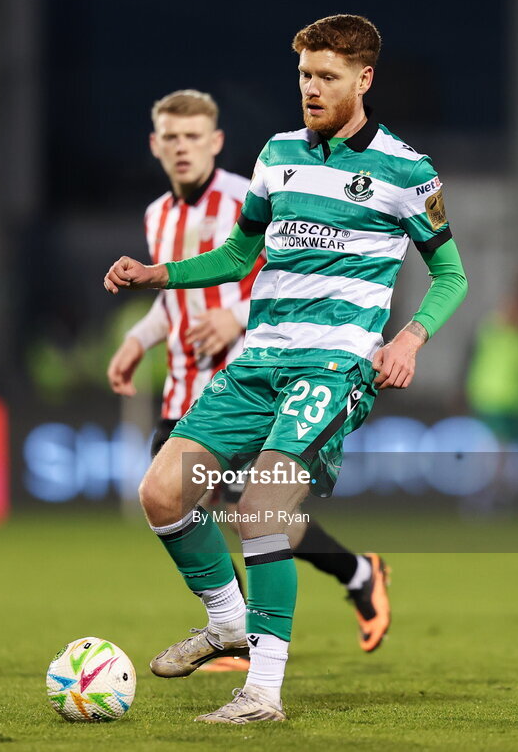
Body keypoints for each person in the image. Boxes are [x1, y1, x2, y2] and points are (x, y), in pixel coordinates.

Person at [104, 15, 467, 723]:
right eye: (304, 74)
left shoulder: (407, 169)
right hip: (257, 362)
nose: (311, 87)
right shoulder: (276, 156)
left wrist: (410, 339)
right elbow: (240, 257)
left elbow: (450, 275)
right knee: (160, 492)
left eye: (327, 76)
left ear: (364, 79)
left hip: (333, 369)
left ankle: (262, 690)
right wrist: (161, 274)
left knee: (261, 509)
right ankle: (228, 620)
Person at [107, 90, 392, 672]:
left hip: (258, 371)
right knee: (205, 504)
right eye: (172, 138)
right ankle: (345, 576)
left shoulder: (250, 189)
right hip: (186, 385)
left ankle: (244, 636)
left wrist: (235, 317)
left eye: (194, 137)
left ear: (215, 143)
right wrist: (139, 340)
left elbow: (278, 270)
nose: (182, 148)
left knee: (247, 509)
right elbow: (175, 299)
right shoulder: (156, 214)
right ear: (155, 145)